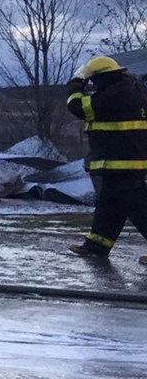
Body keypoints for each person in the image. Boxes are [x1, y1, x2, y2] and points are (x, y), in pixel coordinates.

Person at [65, 55, 147, 261]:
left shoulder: (116, 95)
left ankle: (96, 246)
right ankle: (97, 245)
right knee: (111, 203)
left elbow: (76, 106)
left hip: (124, 163)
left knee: (137, 206)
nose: (93, 85)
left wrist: (77, 81)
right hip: (121, 162)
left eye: (94, 80)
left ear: (103, 78)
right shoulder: (131, 91)